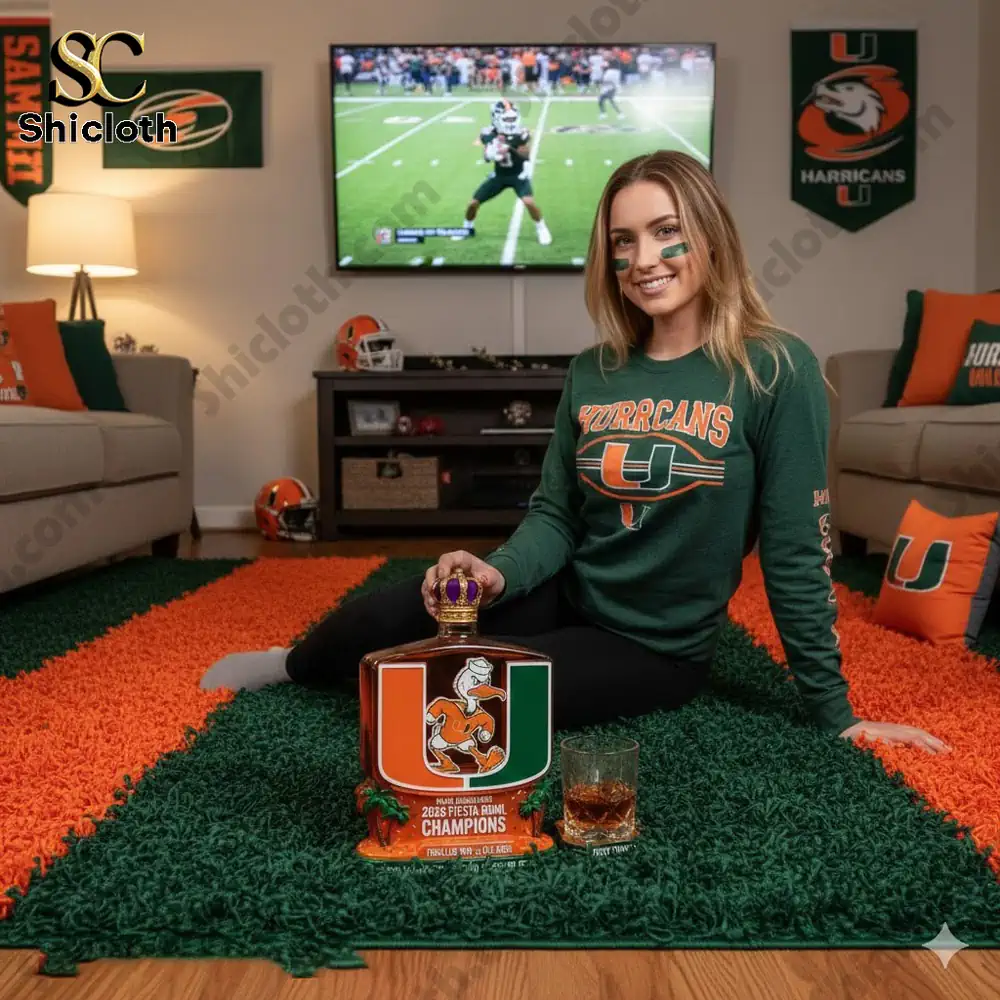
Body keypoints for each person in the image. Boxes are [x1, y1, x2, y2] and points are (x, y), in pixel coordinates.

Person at [202, 150, 949, 754]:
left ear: (711, 237)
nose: (643, 259)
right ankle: (290, 667)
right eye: (623, 241)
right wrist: (493, 575)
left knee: (450, 701)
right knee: (380, 617)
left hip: (654, 650)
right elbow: (556, 515)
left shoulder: (774, 368)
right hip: (570, 593)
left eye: (665, 231)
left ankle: (417, 672)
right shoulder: (597, 368)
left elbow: (795, 551)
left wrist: (833, 711)